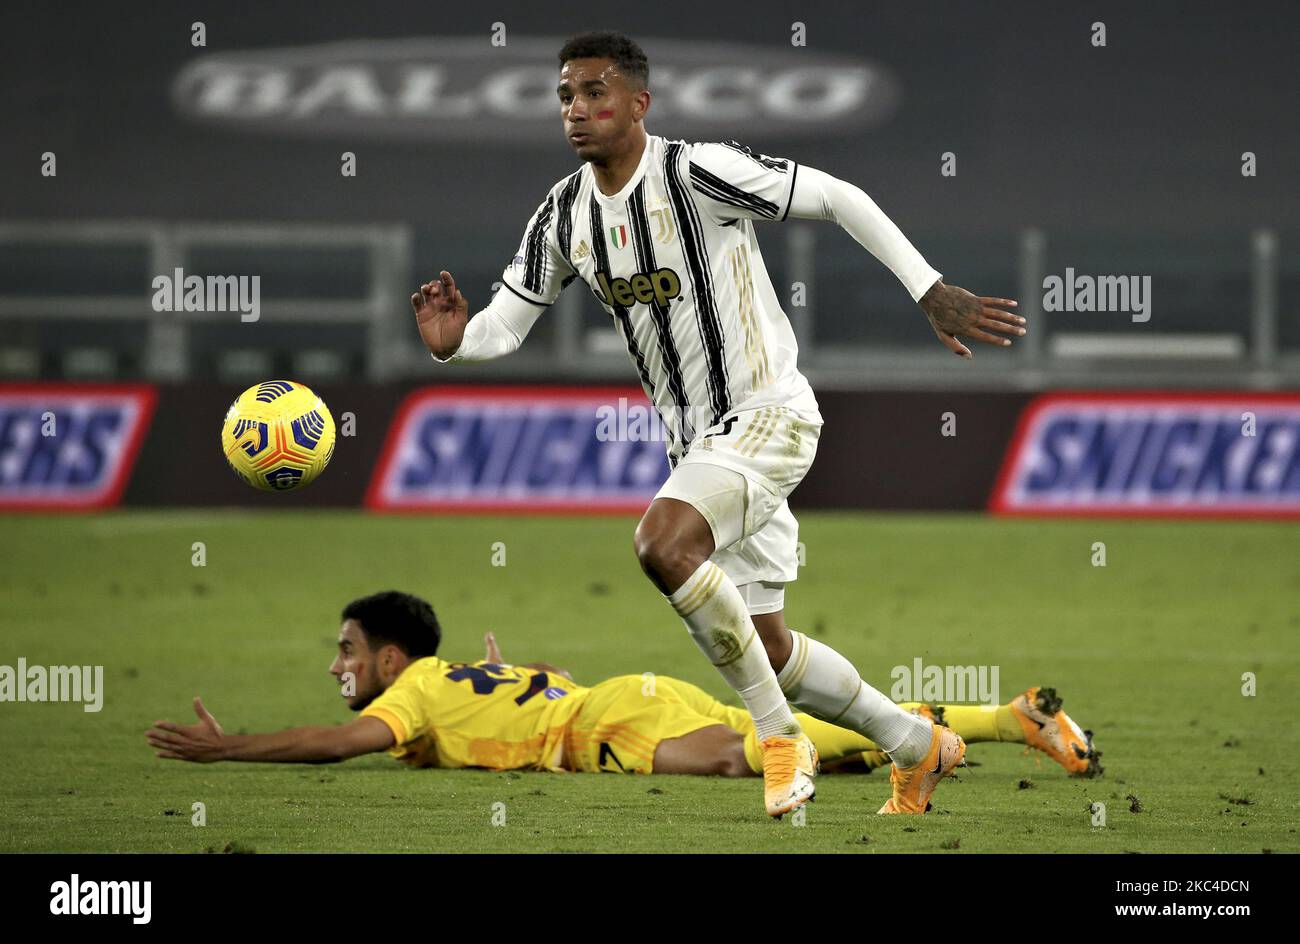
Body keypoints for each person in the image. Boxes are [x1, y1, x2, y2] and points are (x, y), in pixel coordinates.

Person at [409, 32, 1027, 816]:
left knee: (662, 545)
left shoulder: (696, 171)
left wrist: (927, 287)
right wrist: (456, 344)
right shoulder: (564, 212)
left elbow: (835, 195)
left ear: (640, 103)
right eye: (566, 95)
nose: (577, 110)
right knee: (770, 646)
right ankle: (916, 744)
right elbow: (505, 323)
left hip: (770, 412)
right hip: (701, 445)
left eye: (596, 93)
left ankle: (779, 738)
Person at [146, 591, 1102, 793]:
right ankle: (1009, 720)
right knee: (803, 723)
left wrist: (231, 749)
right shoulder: (442, 684)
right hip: (628, 694)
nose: (337, 666)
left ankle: (899, 751)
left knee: (748, 757)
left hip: (610, 720)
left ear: (393, 656)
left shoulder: (415, 697)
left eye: (348, 649)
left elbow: (333, 743)